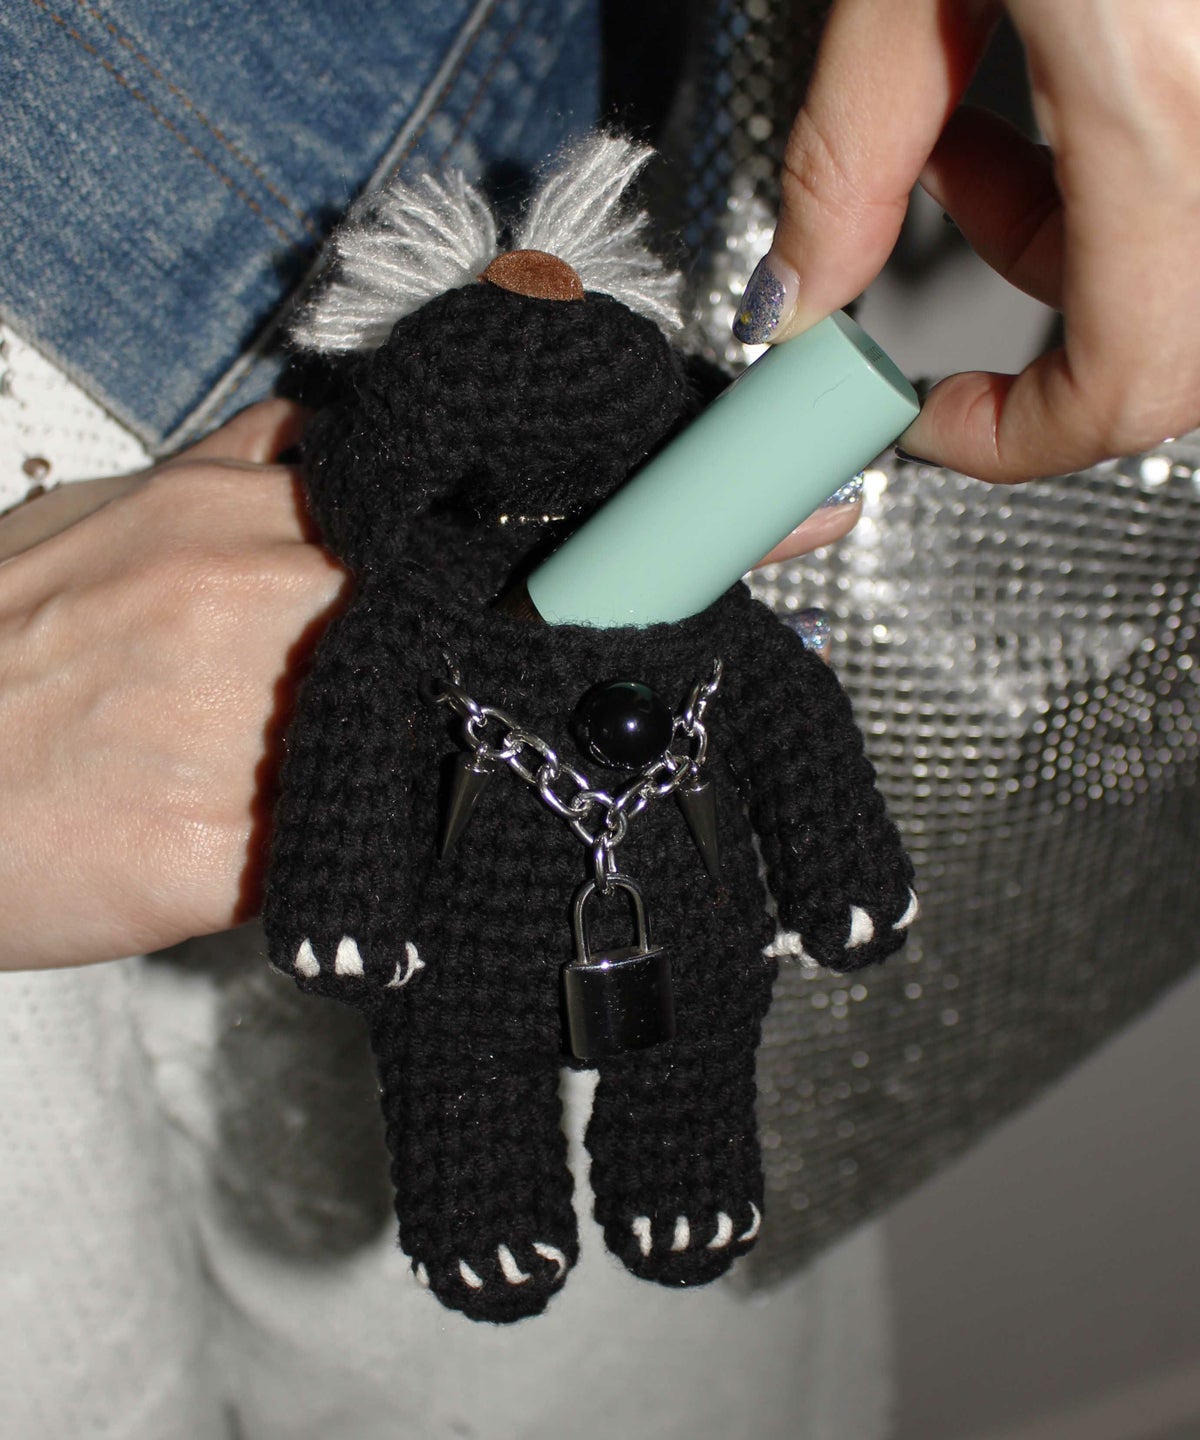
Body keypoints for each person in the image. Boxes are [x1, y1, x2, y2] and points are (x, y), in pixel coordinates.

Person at [1, 1, 1198, 1435]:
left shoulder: (700, 634)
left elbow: (796, 732)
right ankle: (491, 1197)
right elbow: (351, 756)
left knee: (642, 1357)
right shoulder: (394, 636)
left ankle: (679, 1169)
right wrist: (347, 902)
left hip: (445, 143)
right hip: (327, 847)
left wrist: (843, 875)